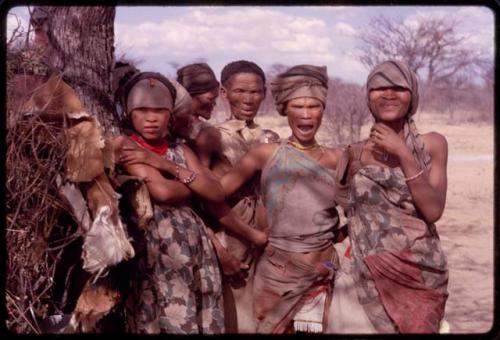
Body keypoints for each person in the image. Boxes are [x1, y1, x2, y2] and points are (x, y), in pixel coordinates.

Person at [221, 64, 343, 333]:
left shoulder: (338, 159)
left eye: (314, 106)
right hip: (276, 271)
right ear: (285, 109)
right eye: (298, 106)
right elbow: (215, 195)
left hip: (321, 269)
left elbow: (359, 210)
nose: (306, 114)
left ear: (323, 110)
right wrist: (179, 170)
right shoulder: (265, 154)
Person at [332, 60, 449, 333]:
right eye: (379, 88)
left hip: (421, 272)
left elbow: (433, 211)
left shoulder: (432, 144)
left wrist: (404, 154)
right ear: (368, 97)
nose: (388, 94)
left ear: (413, 96)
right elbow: (355, 215)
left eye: (399, 87)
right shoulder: (354, 153)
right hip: (369, 275)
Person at [112, 71, 225, 334]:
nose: (151, 118)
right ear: (130, 114)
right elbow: (163, 193)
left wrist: (163, 164)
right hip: (157, 251)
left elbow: (217, 193)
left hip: (196, 247)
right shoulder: (125, 145)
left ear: (170, 115)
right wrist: (193, 184)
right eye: (142, 110)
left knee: (201, 315)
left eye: (159, 111)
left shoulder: (180, 149)